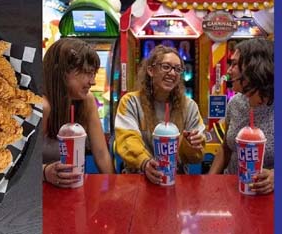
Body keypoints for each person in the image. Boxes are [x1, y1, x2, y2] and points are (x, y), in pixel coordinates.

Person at [114, 45, 205, 184]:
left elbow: (196, 156)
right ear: (150, 70)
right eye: (166, 67)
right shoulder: (131, 102)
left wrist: (191, 144)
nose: (173, 73)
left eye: (177, 69)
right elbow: (127, 140)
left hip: (175, 182)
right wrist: (145, 163)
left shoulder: (189, 106)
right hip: (137, 181)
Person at [42, 38, 115, 187]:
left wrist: (114, 188)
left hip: (73, 190)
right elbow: (17, 161)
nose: (93, 82)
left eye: (93, 74)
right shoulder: (42, 106)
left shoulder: (87, 100)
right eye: (87, 73)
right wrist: (45, 172)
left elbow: (101, 154)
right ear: (62, 72)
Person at [209, 38, 274, 194]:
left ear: (254, 67)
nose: (229, 71)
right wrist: (209, 183)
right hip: (231, 192)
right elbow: (226, 148)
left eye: (234, 64)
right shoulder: (235, 103)